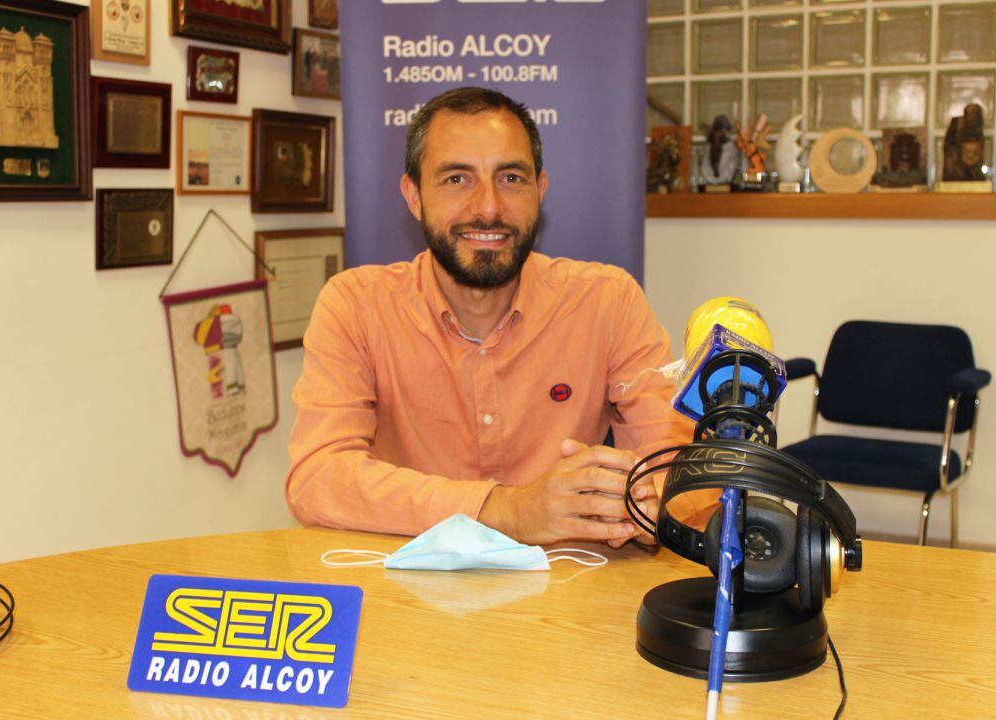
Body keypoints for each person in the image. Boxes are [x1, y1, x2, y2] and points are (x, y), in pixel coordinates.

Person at [285, 87, 716, 547]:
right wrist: (505, 510)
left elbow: (682, 466)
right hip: (409, 598)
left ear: (540, 190)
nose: (488, 208)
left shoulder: (608, 301)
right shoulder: (356, 305)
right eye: (457, 179)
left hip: (567, 595)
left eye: (511, 178)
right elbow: (317, 476)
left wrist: (645, 501)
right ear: (413, 196)